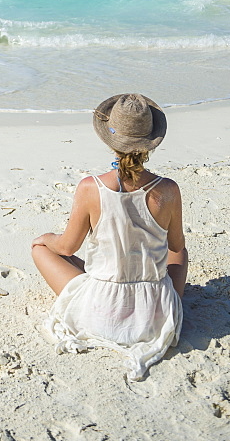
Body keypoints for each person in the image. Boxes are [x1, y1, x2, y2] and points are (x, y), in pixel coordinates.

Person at [31, 92, 187, 380]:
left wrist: (47, 238)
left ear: (109, 140)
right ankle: (171, 302)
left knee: (42, 249)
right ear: (150, 142)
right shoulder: (168, 189)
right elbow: (176, 247)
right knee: (178, 251)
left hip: (101, 312)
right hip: (153, 316)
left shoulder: (91, 187)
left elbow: (66, 247)